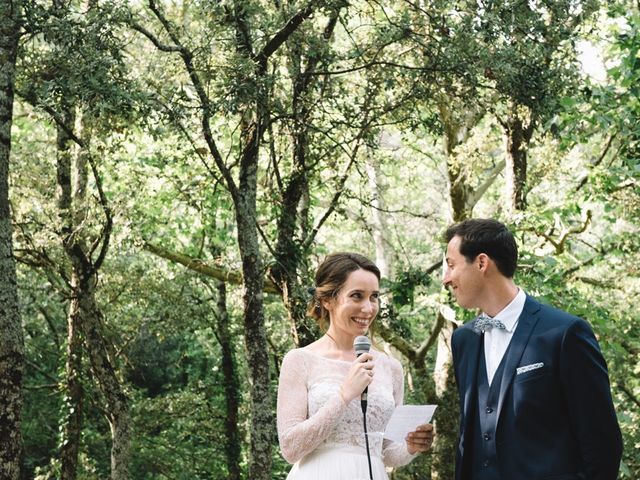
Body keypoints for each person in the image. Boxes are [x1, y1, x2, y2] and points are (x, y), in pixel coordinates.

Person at [443, 218, 623, 480]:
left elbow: (603, 447)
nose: (446, 278)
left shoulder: (565, 334)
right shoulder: (463, 339)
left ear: (482, 263)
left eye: (451, 265)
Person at [277, 252, 434, 479]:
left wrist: (412, 446)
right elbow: (291, 448)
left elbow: (386, 452)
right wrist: (344, 395)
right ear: (327, 300)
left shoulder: (391, 367)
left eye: (374, 297)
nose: (368, 308)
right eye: (357, 296)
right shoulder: (300, 360)